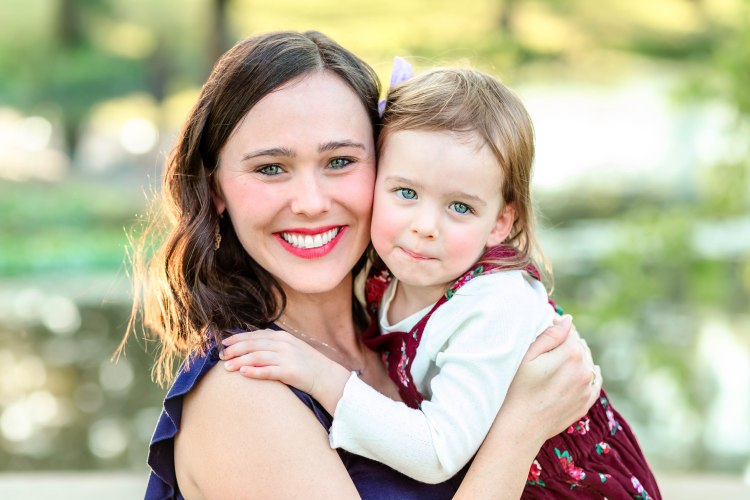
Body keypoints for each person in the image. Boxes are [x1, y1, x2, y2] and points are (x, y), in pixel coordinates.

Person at [126, 30, 601, 499]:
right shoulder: (246, 390)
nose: (312, 202)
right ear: (215, 189)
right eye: (270, 168)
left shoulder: (419, 331)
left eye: (340, 161)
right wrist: (520, 430)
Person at [221, 65, 661, 498]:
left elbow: (436, 452)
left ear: (500, 222)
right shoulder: (392, 277)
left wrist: (321, 376)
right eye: (406, 193)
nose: (425, 226)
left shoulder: (494, 303)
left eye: (460, 207)